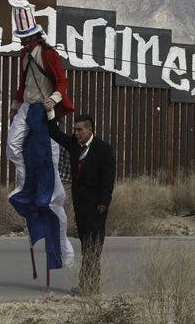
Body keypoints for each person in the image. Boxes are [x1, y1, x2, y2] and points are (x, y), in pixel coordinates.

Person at [6, 0, 74, 272]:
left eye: (27, 37)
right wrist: (14, 106)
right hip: (27, 107)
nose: (25, 41)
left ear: (35, 35)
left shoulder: (49, 54)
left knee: (47, 157)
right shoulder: (24, 55)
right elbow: (23, 85)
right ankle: (24, 185)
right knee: (12, 147)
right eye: (23, 38)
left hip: (43, 108)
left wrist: (54, 99)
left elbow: (62, 81)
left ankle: (40, 192)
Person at [46, 114, 115, 295]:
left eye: (80, 130)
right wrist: (51, 112)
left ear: (89, 130)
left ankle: (89, 287)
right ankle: (89, 287)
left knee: (93, 246)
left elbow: (108, 179)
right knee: (87, 246)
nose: (76, 133)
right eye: (74, 130)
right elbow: (54, 133)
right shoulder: (74, 145)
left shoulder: (103, 149)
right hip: (81, 206)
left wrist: (103, 201)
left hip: (96, 207)